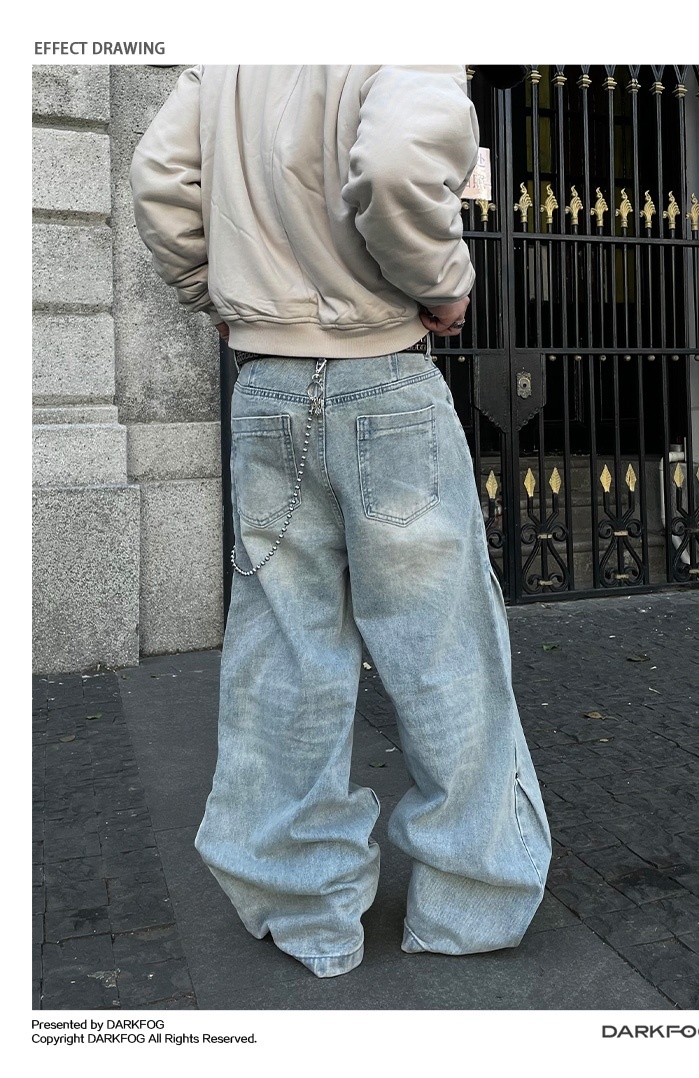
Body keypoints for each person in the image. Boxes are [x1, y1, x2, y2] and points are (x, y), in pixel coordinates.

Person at [130, 64, 551, 979]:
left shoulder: (228, 53)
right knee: (442, 647)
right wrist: (442, 283)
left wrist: (213, 291)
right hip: (384, 376)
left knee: (285, 650)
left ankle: (306, 913)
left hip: (268, 385)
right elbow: (396, 164)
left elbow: (159, 175)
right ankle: (468, 905)